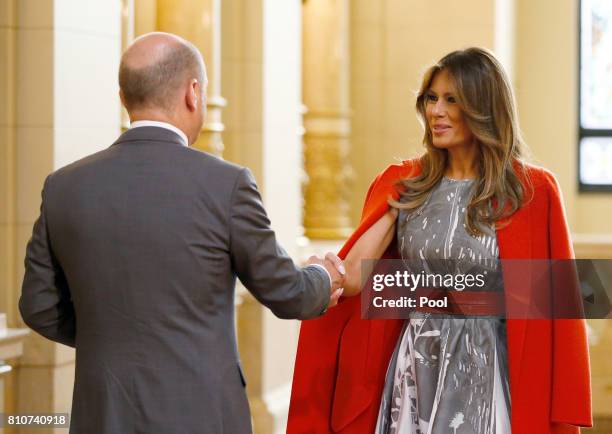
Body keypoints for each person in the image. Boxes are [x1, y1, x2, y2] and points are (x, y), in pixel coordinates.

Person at [19, 32, 345, 434]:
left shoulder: (63, 186)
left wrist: (106, 339)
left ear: (123, 98)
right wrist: (324, 277)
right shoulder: (226, 185)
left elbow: (37, 305)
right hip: (202, 415)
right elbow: (287, 292)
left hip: (103, 415)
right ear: (193, 93)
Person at [288, 47, 592, 434]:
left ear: (483, 107)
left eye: (452, 100)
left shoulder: (532, 191)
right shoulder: (405, 183)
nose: (436, 111)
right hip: (416, 367)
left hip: (491, 367)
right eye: (432, 98)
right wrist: (315, 273)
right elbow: (354, 278)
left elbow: (559, 308)